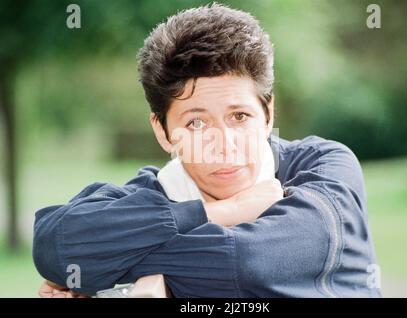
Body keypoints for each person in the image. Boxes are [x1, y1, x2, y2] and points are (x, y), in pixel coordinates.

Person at [33, 3, 381, 298]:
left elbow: (247, 262)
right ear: (163, 131)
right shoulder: (156, 192)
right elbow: (55, 244)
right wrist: (221, 211)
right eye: (196, 124)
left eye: (240, 116)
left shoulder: (324, 168)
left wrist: (113, 268)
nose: (223, 146)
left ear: (268, 113)